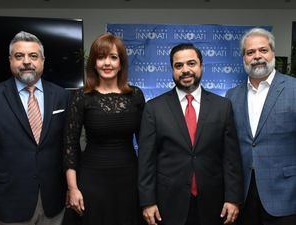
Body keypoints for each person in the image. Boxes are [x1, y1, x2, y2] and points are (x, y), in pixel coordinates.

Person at [138, 43, 244, 225]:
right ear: (172, 69)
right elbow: (146, 160)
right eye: (179, 66)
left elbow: (231, 158)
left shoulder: (222, 106)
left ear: (201, 66)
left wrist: (233, 198)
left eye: (191, 63)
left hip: (213, 203)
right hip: (168, 204)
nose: (185, 70)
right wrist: (148, 202)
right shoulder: (154, 108)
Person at [62, 33, 145, 225]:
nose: (107, 63)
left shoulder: (136, 95)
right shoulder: (81, 96)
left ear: (121, 63)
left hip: (130, 179)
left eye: (113, 57)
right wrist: (72, 188)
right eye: (101, 57)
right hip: (92, 180)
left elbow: (146, 143)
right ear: (94, 63)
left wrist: (147, 186)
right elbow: (70, 145)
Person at [0, 31, 68, 225]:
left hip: (54, 201)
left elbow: (68, 145)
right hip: (8, 202)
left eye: (33, 56)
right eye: (19, 56)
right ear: (10, 60)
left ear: (43, 61)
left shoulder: (61, 96)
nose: (27, 61)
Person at [226, 27, 296, 225]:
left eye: (263, 50)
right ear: (244, 58)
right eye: (250, 52)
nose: (257, 56)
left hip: (287, 195)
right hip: (244, 195)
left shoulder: (294, 89)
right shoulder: (232, 95)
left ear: (273, 53)